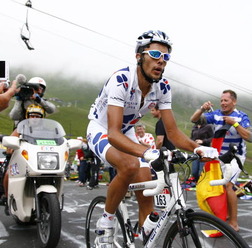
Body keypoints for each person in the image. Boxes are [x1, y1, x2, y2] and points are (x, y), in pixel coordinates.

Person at [86, 30, 218, 247]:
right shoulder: (121, 79)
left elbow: (173, 132)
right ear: (139, 56)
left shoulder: (163, 87)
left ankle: (145, 236)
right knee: (129, 165)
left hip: (126, 130)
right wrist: (147, 151)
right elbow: (114, 133)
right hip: (102, 128)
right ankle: (106, 223)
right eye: (155, 54)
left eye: (165, 57)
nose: (161, 62)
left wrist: (197, 149)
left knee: (146, 176)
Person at [190, 89, 251, 232]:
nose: (223, 103)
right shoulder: (216, 114)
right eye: (221, 100)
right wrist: (201, 109)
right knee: (220, 187)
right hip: (219, 157)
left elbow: (249, 136)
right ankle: (226, 215)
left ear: (234, 102)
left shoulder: (242, 116)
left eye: (226, 100)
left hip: (235, 156)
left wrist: (234, 124)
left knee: (228, 185)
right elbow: (194, 120)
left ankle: (234, 223)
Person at [1, 105, 45, 213]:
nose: (34, 118)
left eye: (37, 116)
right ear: (27, 117)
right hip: (21, 159)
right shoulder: (20, 128)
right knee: (8, 175)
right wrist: (10, 148)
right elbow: (11, 141)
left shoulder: (47, 131)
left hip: (39, 161)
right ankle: (8, 199)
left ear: (42, 118)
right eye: (32, 116)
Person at [190, 116, 214, 182]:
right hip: (196, 150)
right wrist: (192, 141)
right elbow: (191, 137)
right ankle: (196, 182)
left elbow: (212, 138)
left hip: (205, 151)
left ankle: (202, 183)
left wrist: (203, 141)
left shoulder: (208, 127)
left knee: (201, 171)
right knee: (194, 171)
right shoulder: (194, 127)